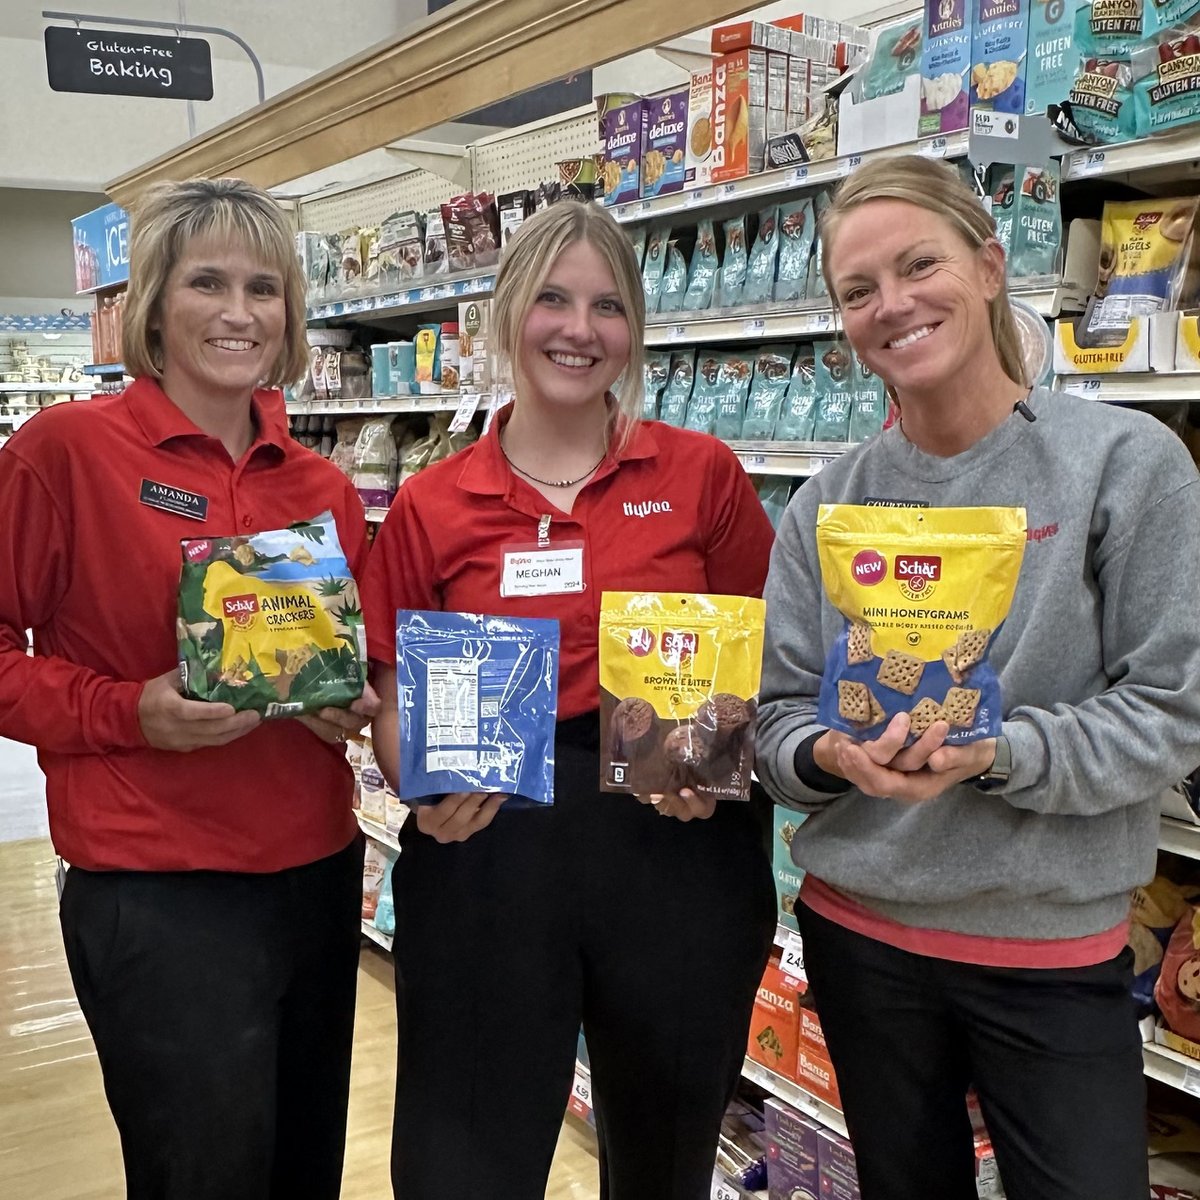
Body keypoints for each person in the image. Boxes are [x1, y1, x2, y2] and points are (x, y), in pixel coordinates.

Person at [755, 153, 1200, 1200]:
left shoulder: (1123, 465)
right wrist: (827, 751)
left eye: (920, 265)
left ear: (991, 266)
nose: (892, 306)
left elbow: (1171, 713)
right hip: (861, 933)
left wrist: (994, 753)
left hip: (1047, 946)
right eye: (858, 291)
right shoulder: (827, 504)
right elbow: (775, 720)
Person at [361, 199, 777, 1200]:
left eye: (606, 306)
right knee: (465, 1150)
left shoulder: (700, 476)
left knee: (667, 1146)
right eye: (551, 299)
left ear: (633, 330)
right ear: (509, 317)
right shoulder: (434, 501)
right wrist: (416, 779)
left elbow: (767, 660)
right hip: (489, 846)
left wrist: (718, 749)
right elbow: (387, 685)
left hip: (674, 844)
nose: (579, 329)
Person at [0, 177, 379, 1199]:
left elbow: (332, 666)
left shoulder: (319, 485)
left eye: (265, 287)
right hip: (158, 892)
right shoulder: (63, 455)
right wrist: (131, 713)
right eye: (207, 281)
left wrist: (346, 704)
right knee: (199, 1177)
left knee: (304, 1169)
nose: (239, 312)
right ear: (154, 305)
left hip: (315, 873)